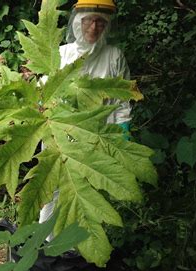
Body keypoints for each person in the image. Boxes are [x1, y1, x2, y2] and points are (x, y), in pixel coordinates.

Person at [39, 0, 132, 225]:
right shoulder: (60, 55)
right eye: (88, 20)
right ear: (77, 22)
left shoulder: (114, 56)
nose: (93, 27)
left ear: (108, 26)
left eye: (100, 22)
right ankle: (46, 243)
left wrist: (122, 129)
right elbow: (43, 94)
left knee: (88, 194)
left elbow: (122, 99)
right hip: (60, 138)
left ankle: (78, 250)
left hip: (96, 138)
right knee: (51, 189)